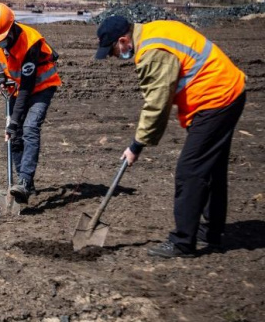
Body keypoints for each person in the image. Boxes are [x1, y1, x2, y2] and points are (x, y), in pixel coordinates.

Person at [95, 16, 246, 258]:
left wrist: (136, 146)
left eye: (113, 50)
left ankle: (183, 242)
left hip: (215, 99)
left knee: (190, 170)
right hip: (227, 92)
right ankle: (212, 231)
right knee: (211, 167)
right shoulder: (155, 29)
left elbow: (157, 104)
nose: (114, 56)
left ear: (123, 40)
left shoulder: (151, 52)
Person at [0, 2, 62, 204]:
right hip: (19, 86)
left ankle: (24, 181)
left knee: (29, 127)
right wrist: (0, 74)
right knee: (14, 136)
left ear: (10, 29)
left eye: (1, 39)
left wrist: (14, 121)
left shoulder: (30, 43)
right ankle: (23, 185)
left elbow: (27, 87)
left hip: (41, 86)